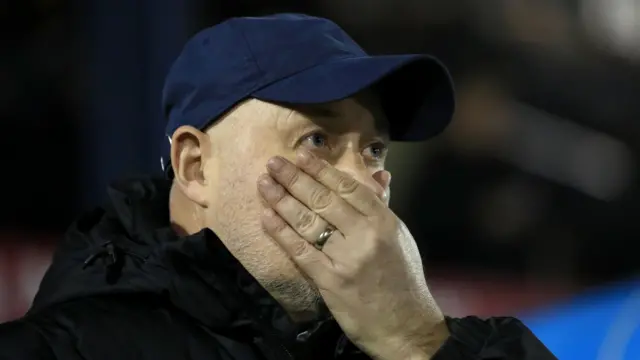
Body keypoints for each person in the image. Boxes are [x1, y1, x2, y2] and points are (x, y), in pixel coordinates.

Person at [0, 13, 557, 360]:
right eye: (316, 139)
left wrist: (420, 344)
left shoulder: (414, 344)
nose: (364, 177)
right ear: (195, 167)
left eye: (375, 149)